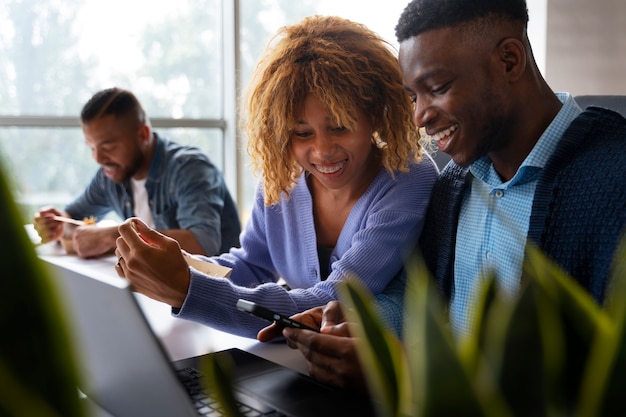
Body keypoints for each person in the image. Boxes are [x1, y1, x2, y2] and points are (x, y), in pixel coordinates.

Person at [258, 0, 626, 391]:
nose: (420, 117)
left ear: (508, 61)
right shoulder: (455, 183)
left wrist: (412, 370)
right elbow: (420, 299)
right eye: (414, 97)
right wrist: (359, 321)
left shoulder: (613, 182)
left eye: (437, 88)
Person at [114, 15, 438, 339]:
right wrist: (181, 266)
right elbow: (250, 265)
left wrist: (187, 289)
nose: (322, 151)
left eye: (340, 126)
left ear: (375, 113)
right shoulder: (282, 180)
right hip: (299, 360)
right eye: (302, 133)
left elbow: (333, 302)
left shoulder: (409, 178)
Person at [33, 87, 241, 258]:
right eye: (92, 147)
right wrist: (58, 225)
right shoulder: (111, 175)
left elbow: (202, 243)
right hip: (158, 293)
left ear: (143, 135)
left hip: (214, 300)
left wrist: (112, 236)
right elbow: (73, 217)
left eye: (109, 147)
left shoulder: (189, 168)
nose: (98, 158)